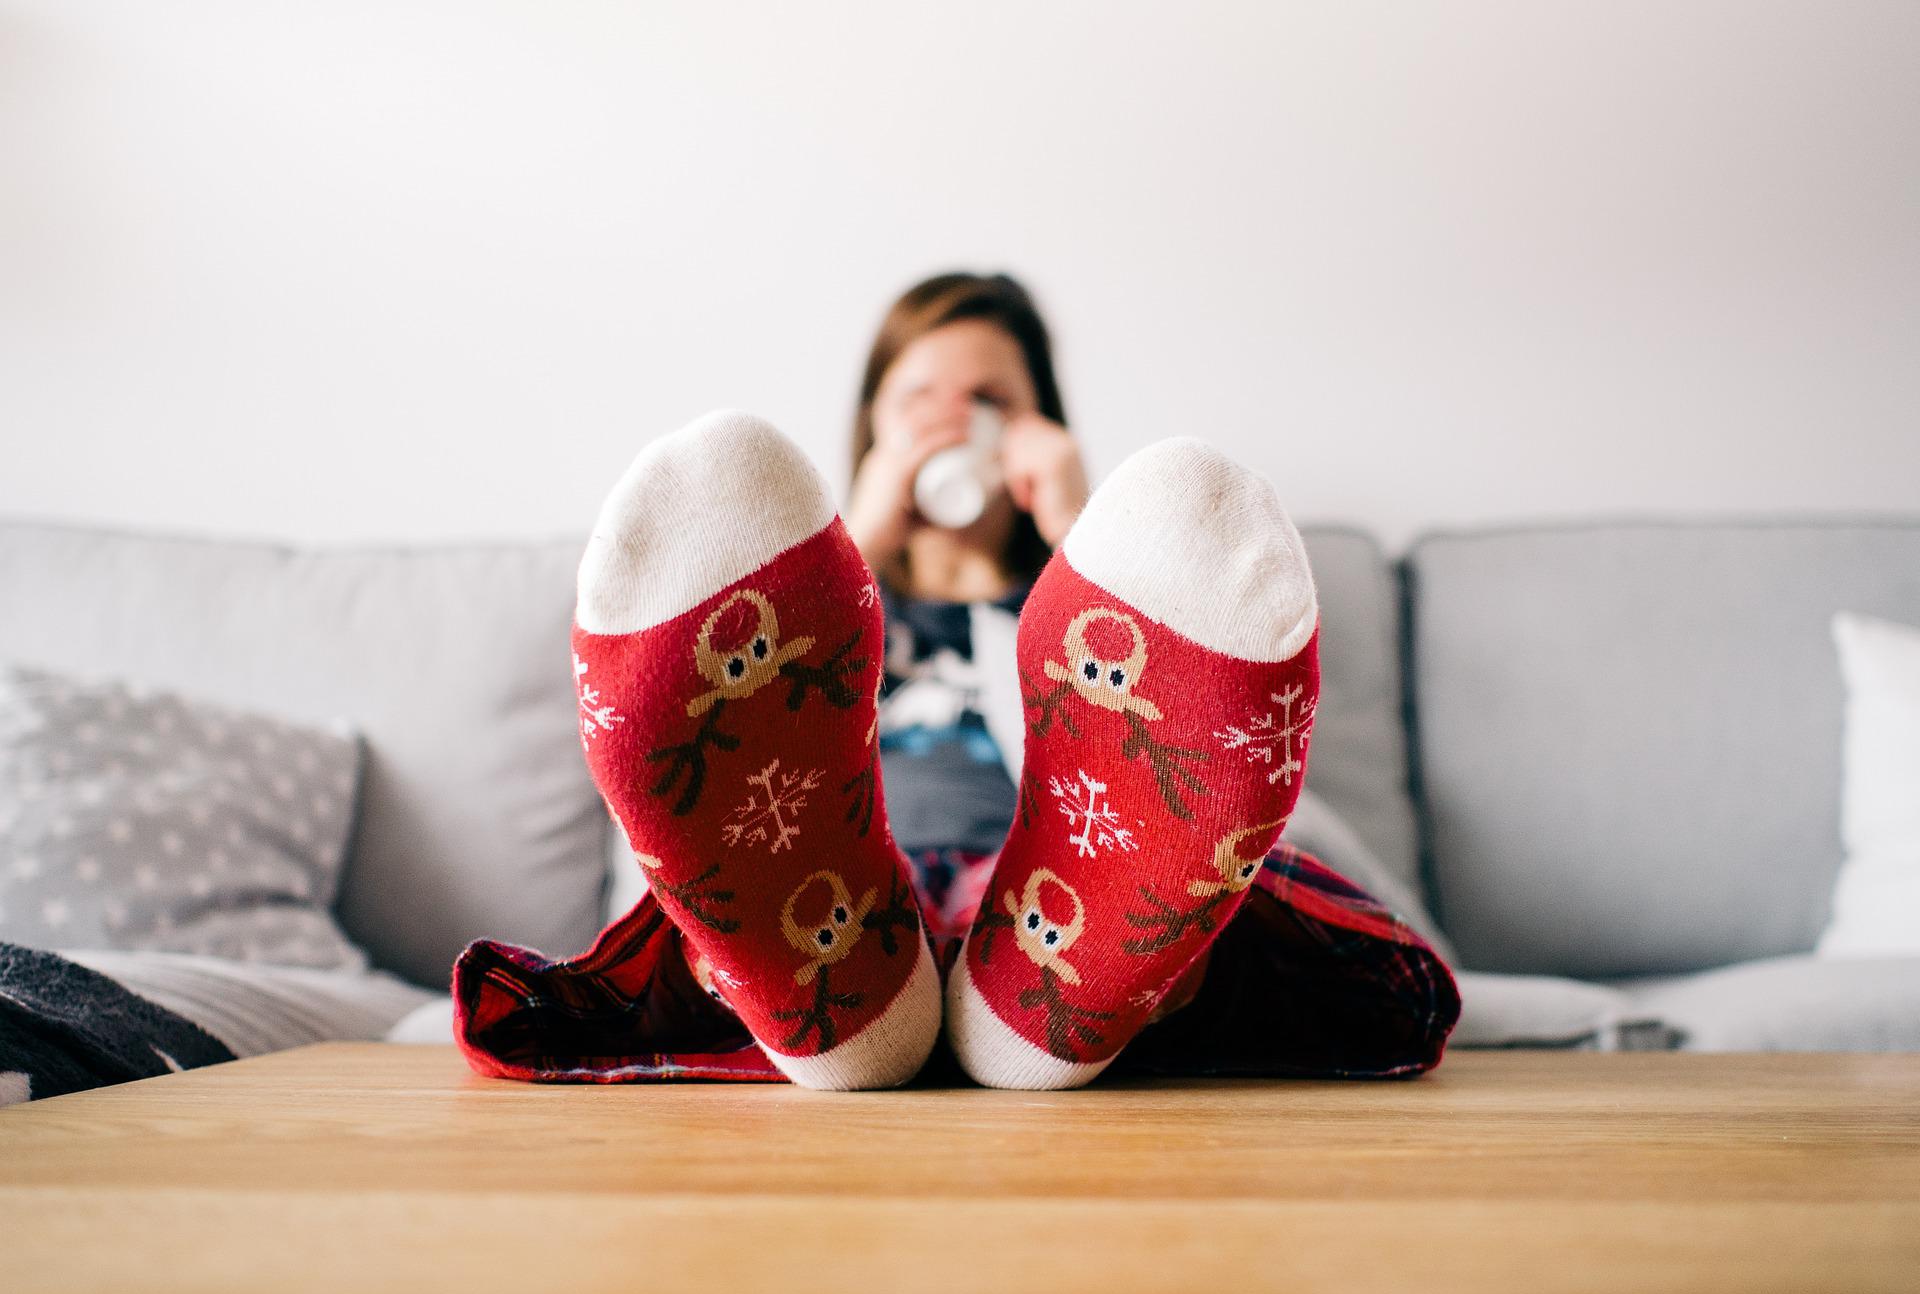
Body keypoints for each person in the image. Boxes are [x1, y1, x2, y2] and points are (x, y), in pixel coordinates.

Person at [450, 273, 1459, 1091]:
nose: (955, 425)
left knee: (1186, 898)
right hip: (829, 882)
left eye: (992, 403)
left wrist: (1081, 530)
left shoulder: (1117, 614)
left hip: (1062, 882)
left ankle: (1015, 998)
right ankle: (874, 999)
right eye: (920, 403)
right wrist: (859, 542)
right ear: (871, 435)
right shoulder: (806, 607)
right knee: (743, 902)